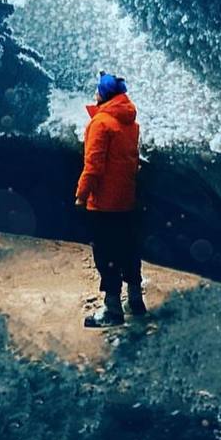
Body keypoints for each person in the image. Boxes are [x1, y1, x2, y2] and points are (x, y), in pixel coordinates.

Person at [75, 71, 146, 326]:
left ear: (104, 94)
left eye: (97, 90)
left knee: (107, 254)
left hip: (104, 202)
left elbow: (93, 165)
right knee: (128, 248)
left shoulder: (101, 123)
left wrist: (81, 195)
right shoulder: (130, 124)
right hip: (126, 199)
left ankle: (112, 310)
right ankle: (136, 301)